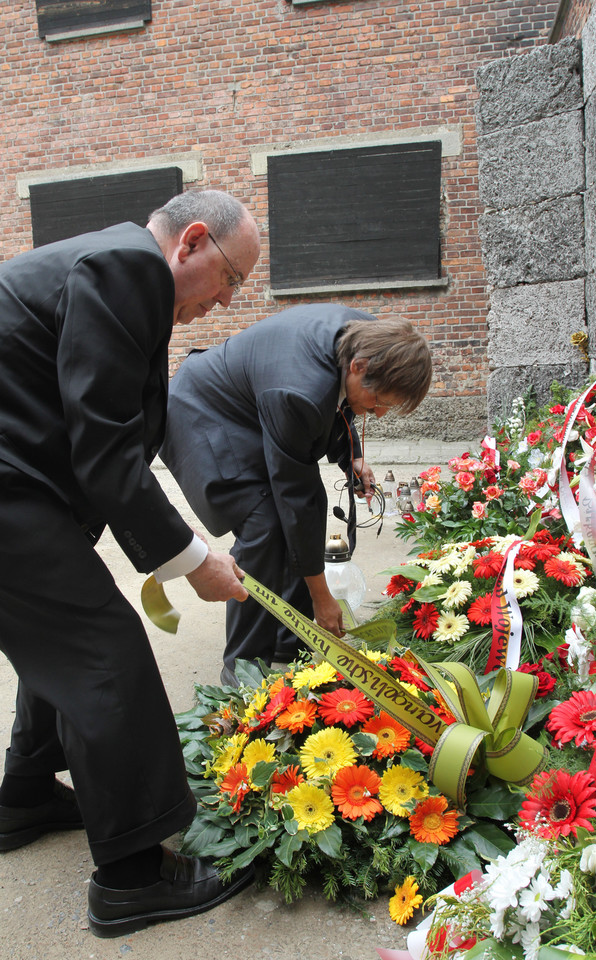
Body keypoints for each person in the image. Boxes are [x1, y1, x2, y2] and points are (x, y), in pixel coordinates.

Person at [0, 188, 261, 937]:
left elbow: (86, 419)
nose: (225, 303)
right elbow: (107, 443)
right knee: (102, 653)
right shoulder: (126, 267)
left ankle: (23, 795)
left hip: (23, 492)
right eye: (232, 280)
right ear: (193, 243)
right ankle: (133, 878)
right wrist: (189, 557)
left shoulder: (108, 263)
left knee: (64, 643)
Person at [160, 303, 432, 685]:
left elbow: (339, 403)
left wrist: (350, 457)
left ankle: (293, 640)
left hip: (253, 405)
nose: (380, 413)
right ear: (359, 367)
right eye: (381, 402)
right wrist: (322, 595)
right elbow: (297, 498)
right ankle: (243, 670)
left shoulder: (369, 339)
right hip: (201, 415)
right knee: (266, 524)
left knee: (289, 525)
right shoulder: (299, 391)